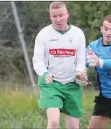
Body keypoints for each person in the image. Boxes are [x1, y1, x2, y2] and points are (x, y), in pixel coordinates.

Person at [32, 1, 87, 129]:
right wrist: (44, 73)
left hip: (72, 85)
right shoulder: (43, 35)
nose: (58, 19)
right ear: (50, 17)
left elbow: (80, 61)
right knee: (53, 122)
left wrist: (80, 73)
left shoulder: (78, 34)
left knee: (73, 127)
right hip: (51, 84)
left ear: (67, 14)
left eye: (61, 15)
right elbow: (37, 60)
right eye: (54, 16)